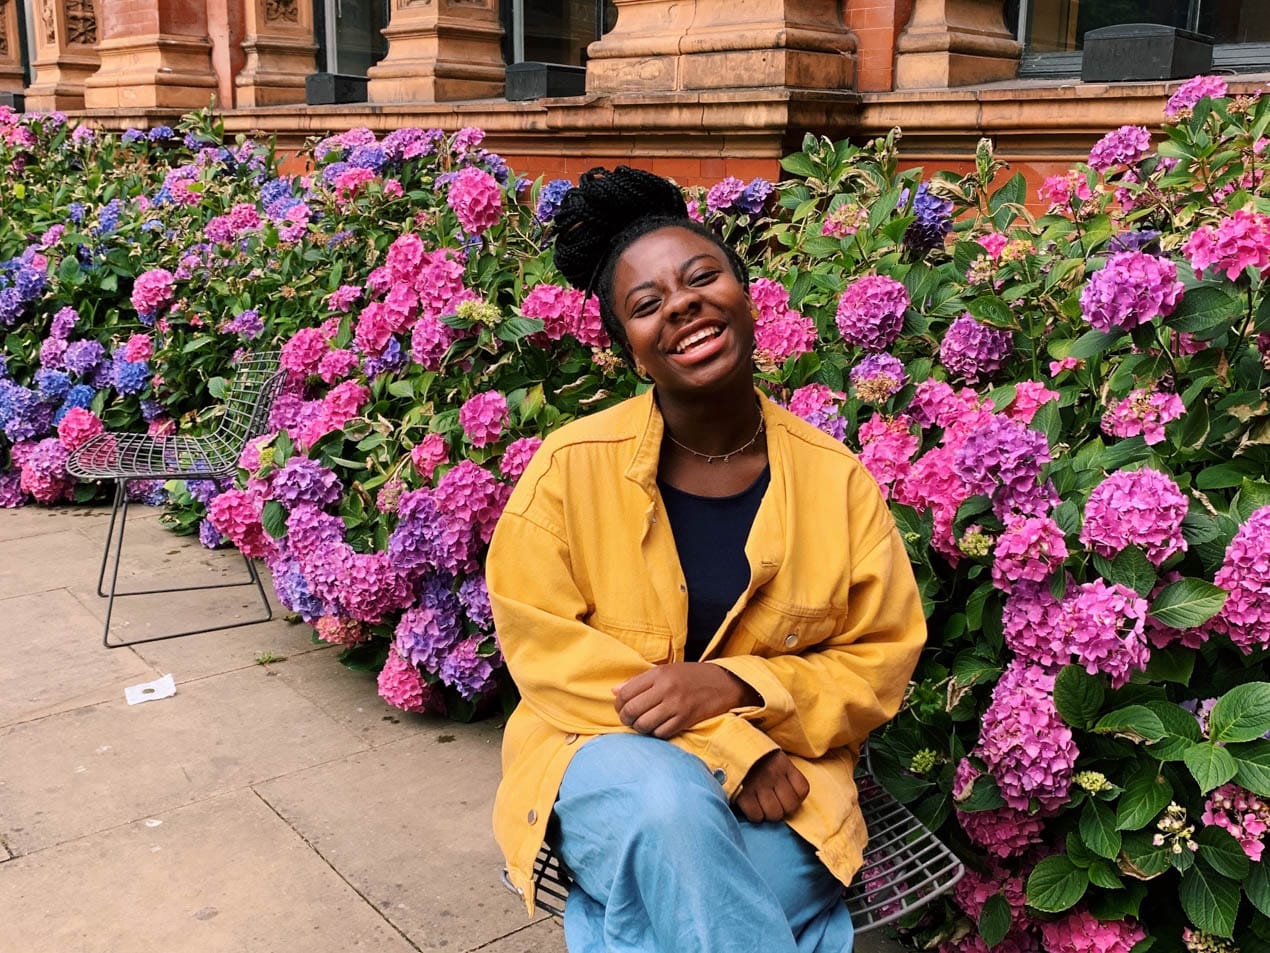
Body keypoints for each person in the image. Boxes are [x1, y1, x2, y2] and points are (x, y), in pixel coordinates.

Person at [487, 166, 926, 953]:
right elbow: (545, 652)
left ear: (746, 295)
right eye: (647, 304)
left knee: (673, 902)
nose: (682, 304)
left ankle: (612, 920)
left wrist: (734, 684)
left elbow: (878, 661)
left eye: (701, 277)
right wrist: (730, 745)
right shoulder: (567, 471)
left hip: (790, 782)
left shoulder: (837, 482)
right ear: (632, 352)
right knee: (669, 812)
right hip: (607, 764)